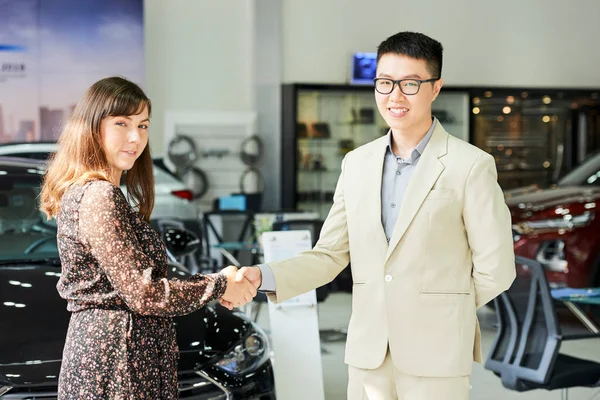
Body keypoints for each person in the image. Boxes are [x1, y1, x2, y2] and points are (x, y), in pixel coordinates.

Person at [235, 32, 516, 399]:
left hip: (437, 355)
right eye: (385, 83)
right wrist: (262, 276)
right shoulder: (357, 163)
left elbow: (497, 267)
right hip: (368, 356)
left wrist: (441, 308)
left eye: (410, 83)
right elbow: (329, 254)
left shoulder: (470, 166)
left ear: (435, 88)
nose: (394, 96)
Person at [40, 76, 256, 399]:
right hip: (115, 365)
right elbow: (146, 293)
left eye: (143, 125)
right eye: (121, 123)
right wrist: (221, 284)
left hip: (118, 358)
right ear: (92, 127)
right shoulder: (100, 196)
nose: (134, 137)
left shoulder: (102, 193)